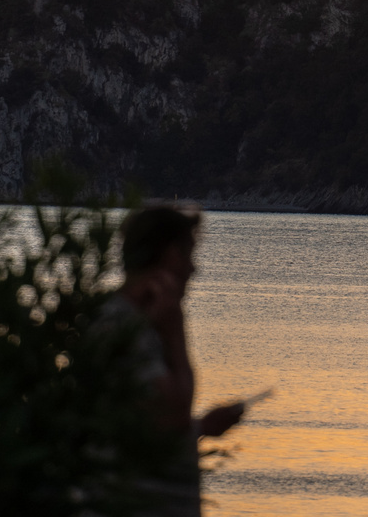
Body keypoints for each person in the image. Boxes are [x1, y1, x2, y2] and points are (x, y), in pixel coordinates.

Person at [106, 205, 247, 516]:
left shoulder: (135, 323)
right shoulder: (122, 325)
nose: (194, 269)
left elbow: (147, 425)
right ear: (171, 255)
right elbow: (172, 416)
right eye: (189, 255)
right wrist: (175, 328)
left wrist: (201, 427)